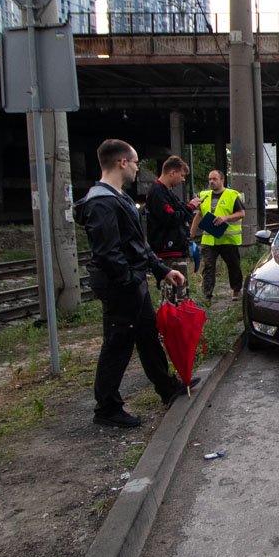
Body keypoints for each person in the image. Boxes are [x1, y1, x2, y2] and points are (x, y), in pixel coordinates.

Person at [73, 139, 196, 428]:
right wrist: (130, 281)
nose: (139, 167)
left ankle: (167, 387)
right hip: (121, 286)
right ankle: (106, 408)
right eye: (136, 161)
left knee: (148, 335)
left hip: (131, 282)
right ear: (122, 162)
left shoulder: (118, 197)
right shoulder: (102, 201)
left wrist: (161, 270)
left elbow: (136, 245)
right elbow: (108, 252)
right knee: (118, 343)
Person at [144, 155, 201, 299]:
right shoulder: (158, 192)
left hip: (174, 248)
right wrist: (190, 207)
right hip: (168, 250)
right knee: (174, 294)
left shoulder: (166, 191)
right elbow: (171, 218)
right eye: (181, 175)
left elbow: (179, 212)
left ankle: (177, 318)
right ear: (172, 173)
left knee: (179, 292)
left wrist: (187, 208)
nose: (183, 179)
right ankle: (173, 320)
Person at [190, 169, 244, 305]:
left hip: (228, 240)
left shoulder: (232, 195)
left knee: (233, 266)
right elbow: (199, 215)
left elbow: (241, 213)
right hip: (209, 240)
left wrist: (225, 218)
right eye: (209, 179)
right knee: (208, 267)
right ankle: (207, 295)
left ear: (222, 180)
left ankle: (236, 290)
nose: (211, 182)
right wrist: (191, 233)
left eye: (214, 179)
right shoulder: (204, 196)